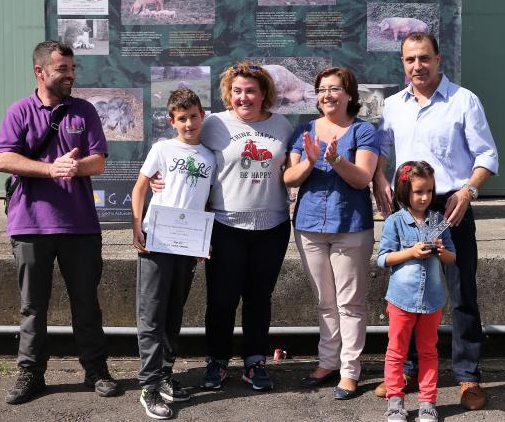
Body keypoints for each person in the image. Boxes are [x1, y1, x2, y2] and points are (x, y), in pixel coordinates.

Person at [373, 32, 499, 410]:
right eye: (410, 59)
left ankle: (467, 378)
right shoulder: (393, 105)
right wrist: (380, 181)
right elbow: (381, 151)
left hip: (451, 204)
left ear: (439, 59)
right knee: (410, 292)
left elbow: (487, 154)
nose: (418, 66)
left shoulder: (463, 101)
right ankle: (408, 371)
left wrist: (468, 192)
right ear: (403, 63)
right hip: (408, 209)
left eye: (424, 58)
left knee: (462, 295)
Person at [152, 61, 293, 391]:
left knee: (260, 298)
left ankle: (254, 361)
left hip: (272, 227)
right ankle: (216, 361)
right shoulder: (214, 123)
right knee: (222, 298)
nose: (244, 97)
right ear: (229, 93)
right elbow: (180, 148)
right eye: (237, 91)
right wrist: (159, 175)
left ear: (264, 94)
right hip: (225, 225)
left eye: (251, 91)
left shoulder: (283, 125)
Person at [0, 40, 119, 405]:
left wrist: (75, 166)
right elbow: (2, 160)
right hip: (29, 225)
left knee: (86, 302)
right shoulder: (19, 111)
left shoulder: (84, 111)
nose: (70, 75)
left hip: (79, 226)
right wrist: (51, 169)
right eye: (63, 69)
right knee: (33, 305)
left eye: (72, 69)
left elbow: (98, 161)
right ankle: (31, 373)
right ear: (40, 71)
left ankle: (96, 370)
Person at [283, 67, 379, 400]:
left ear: (350, 95)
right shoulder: (305, 129)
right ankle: (327, 362)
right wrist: (311, 162)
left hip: (350, 226)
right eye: (321, 89)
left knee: (349, 303)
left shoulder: (364, 131)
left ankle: (350, 371)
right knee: (325, 302)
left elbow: (362, 177)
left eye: (335, 89)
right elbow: (290, 178)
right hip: (309, 227)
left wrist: (336, 159)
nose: (327, 95)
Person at [130, 88, 215, 420]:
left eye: (194, 116)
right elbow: (140, 186)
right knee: (151, 314)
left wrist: (205, 239)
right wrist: (136, 225)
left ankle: (165, 373)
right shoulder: (162, 149)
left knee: (173, 314)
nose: (189, 123)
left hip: (188, 245)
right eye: (182, 118)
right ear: (172, 121)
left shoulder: (210, 157)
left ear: (202, 116)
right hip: (156, 242)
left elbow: (206, 202)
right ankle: (149, 386)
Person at [378, 161, 456, 422]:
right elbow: (383, 258)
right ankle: (395, 402)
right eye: (419, 191)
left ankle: (427, 401)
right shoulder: (395, 222)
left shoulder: (438, 221)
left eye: (430, 191)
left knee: (429, 351)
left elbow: (452, 258)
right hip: (401, 299)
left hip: (432, 301)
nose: (425, 197)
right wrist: (410, 252)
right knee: (396, 351)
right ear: (404, 192)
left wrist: (443, 251)